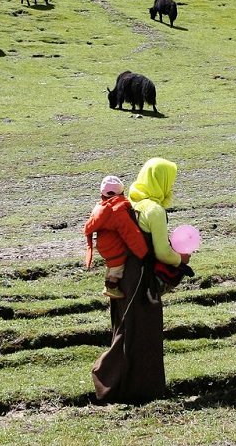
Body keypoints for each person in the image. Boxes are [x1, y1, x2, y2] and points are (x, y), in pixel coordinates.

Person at [91, 157, 192, 403]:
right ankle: (121, 384)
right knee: (143, 331)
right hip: (141, 279)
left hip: (123, 273)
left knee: (125, 327)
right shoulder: (154, 210)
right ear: (162, 181)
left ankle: (121, 389)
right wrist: (182, 259)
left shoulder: (131, 200)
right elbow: (161, 253)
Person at [83, 176, 149, 299]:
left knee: (111, 265)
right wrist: (143, 253)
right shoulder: (117, 210)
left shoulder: (100, 207)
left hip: (103, 245)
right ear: (122, 192)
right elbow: (130, 233)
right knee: (118, 267)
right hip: (114, 248)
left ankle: (107, 282)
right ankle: (111, 287)